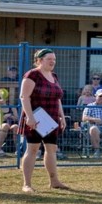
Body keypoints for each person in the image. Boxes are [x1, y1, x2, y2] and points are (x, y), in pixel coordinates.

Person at [18, 49, 70, 192]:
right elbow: (24, 97)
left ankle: (54, 181)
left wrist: (62, 116)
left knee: (51, 149)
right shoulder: (32, 75)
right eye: (49, 59)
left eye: (54, 59)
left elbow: (58, 98)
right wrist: (30, 117)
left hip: (52, 118)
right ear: (39, 60)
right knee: (32, 149)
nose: (52, 61)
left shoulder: (54, 76)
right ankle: (27, 184)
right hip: (35, 117)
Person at [0, 89, 19, 157]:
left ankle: (17, 149)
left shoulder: (11, 106)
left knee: (16, 127)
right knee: (5, 125)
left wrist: (11, 116)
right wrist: (3, 118)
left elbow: (17, 118)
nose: (2, 99)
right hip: (0, 124)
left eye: (3, 98)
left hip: (11, 124)